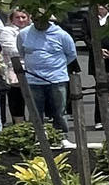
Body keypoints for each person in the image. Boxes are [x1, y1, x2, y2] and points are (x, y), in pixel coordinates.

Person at [17, 9, 77, 140]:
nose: (39, 23)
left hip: (56, 80)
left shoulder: (62, 35)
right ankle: (37, 138)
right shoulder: (23, 34)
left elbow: (71, 54)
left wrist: (56, 67)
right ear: (32, 20)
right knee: (35, 112)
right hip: (33, 80)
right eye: (37, 20)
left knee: (59, 112)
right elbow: (22, 52)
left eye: (43, 20)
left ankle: (61, 137)